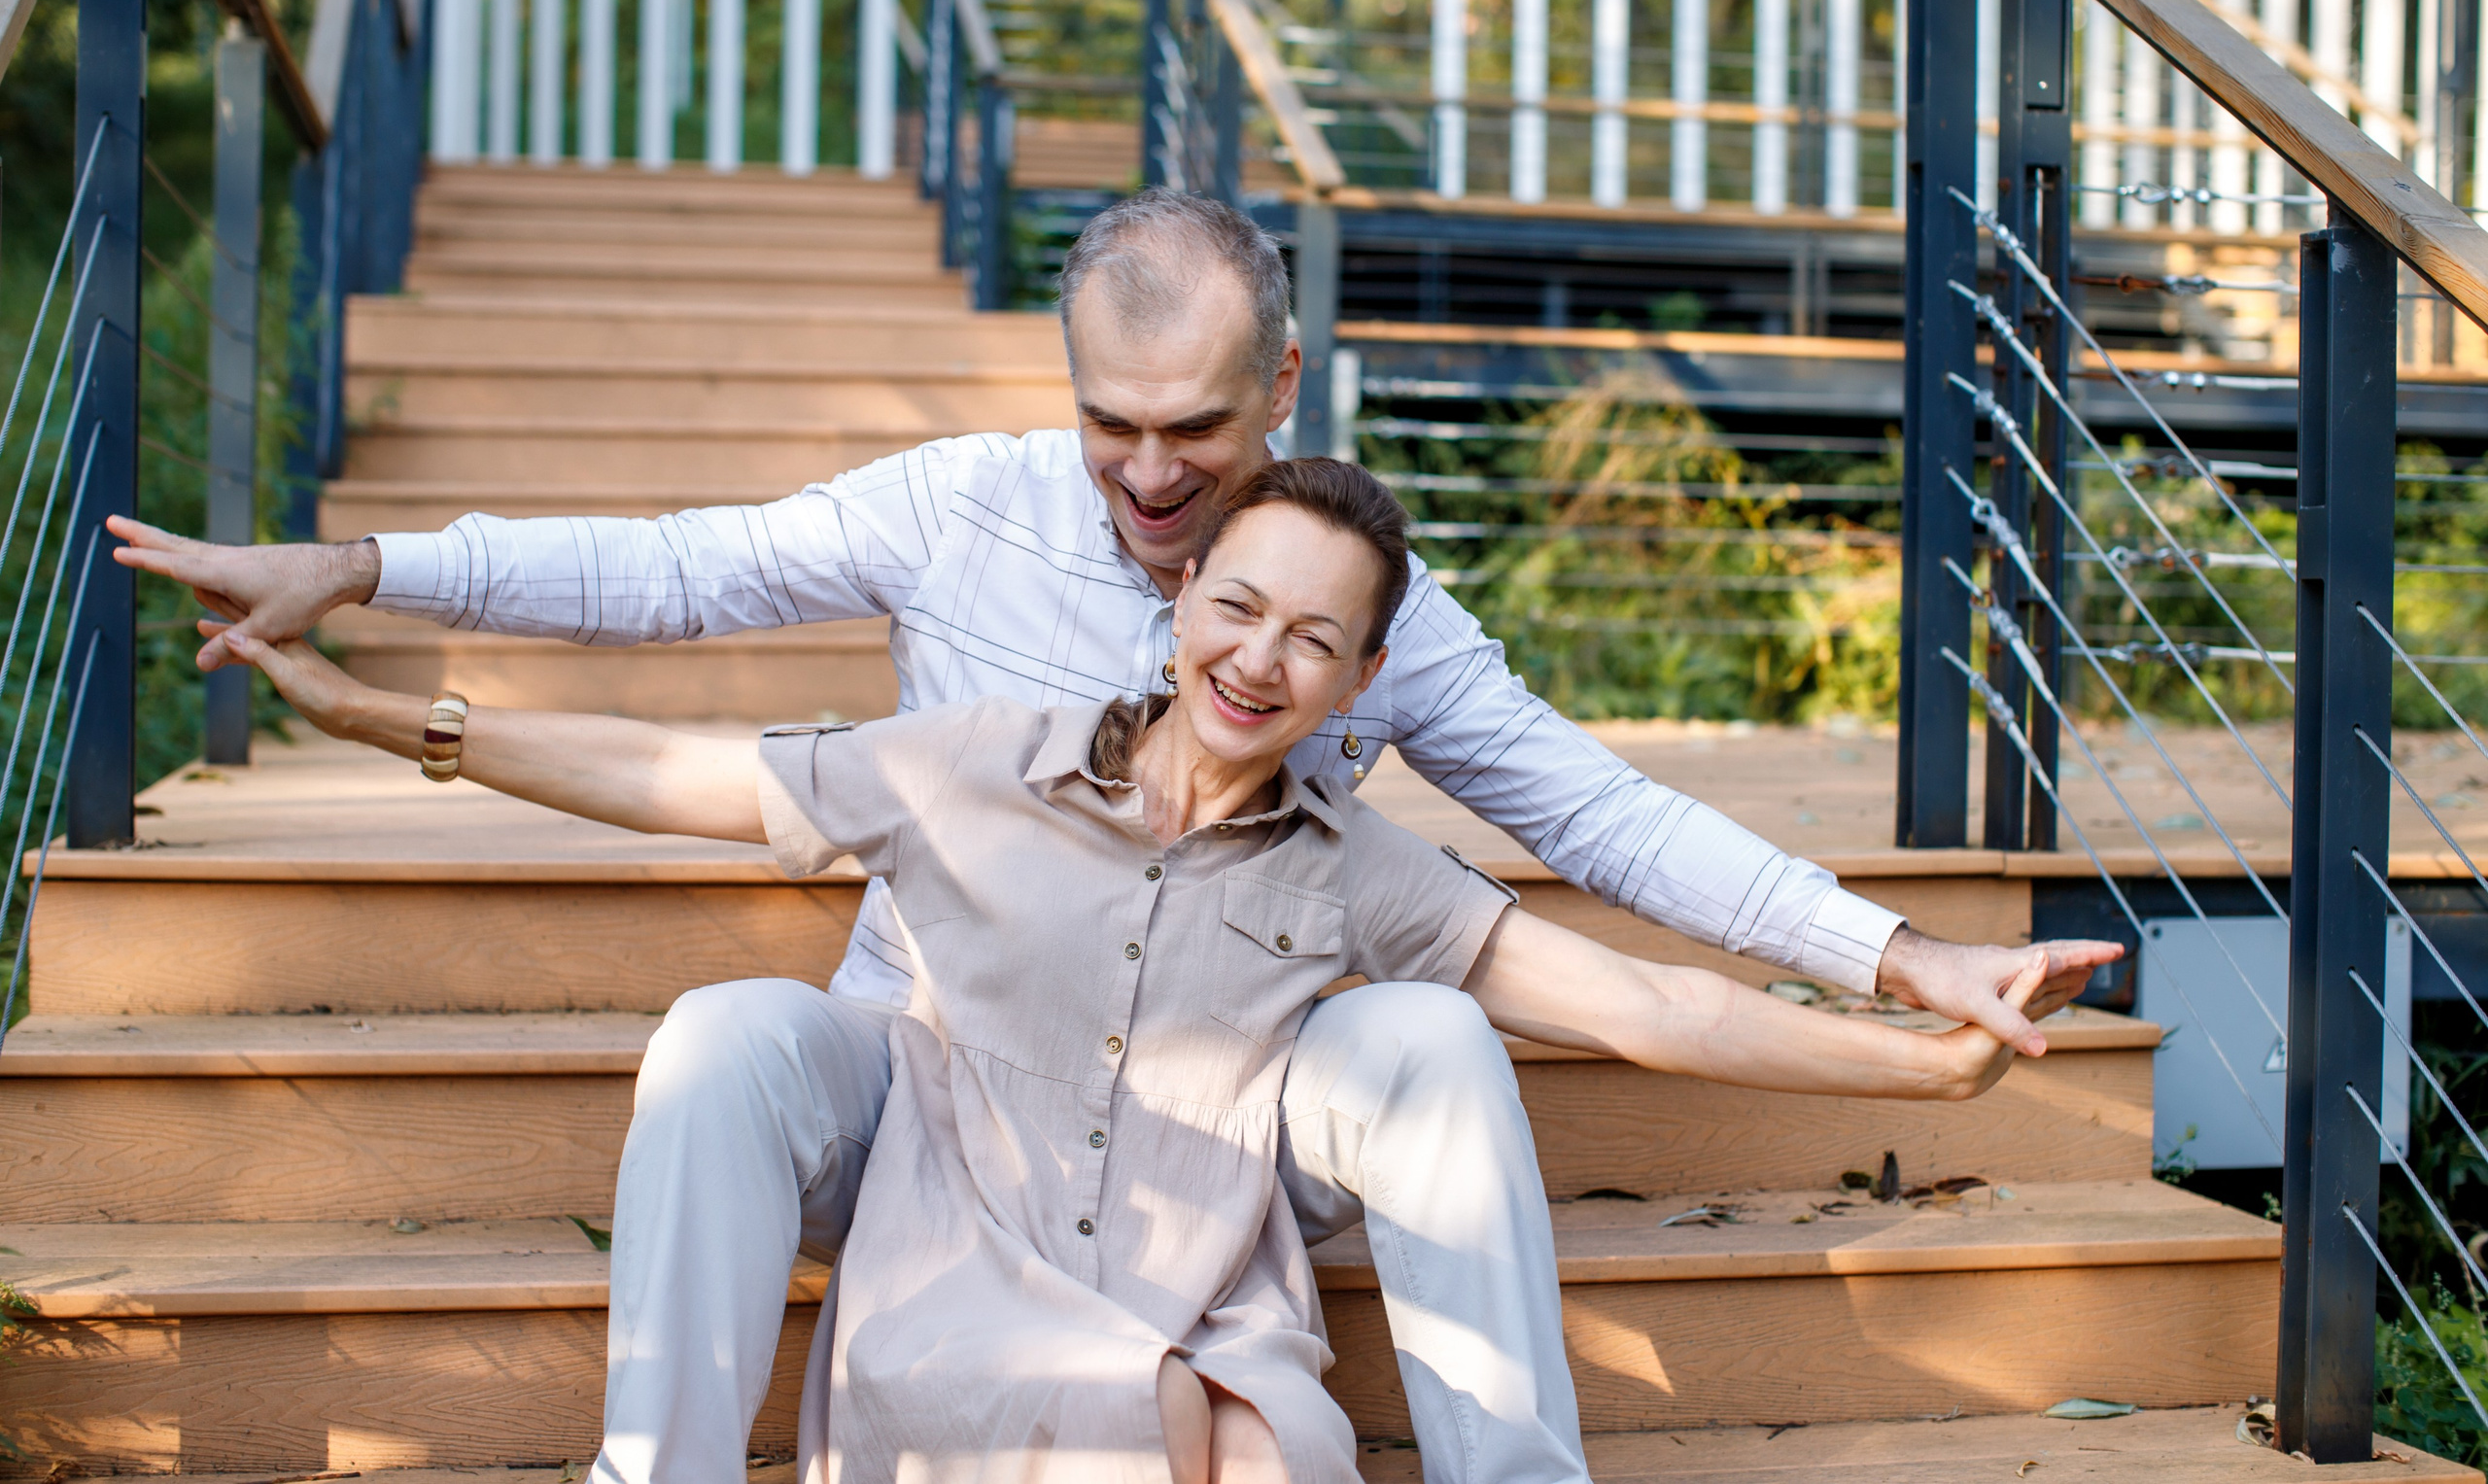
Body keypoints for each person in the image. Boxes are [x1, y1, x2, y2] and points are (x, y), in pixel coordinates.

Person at [111, 188, 2121, 1484]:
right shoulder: (966, 549)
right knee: (723, 1033)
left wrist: (1894, 963)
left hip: (1224, 1104)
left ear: (1286, 390)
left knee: (1425, 1031)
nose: (1151, 478)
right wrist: (362, 573)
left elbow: (1595, 834)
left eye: (1198, 429)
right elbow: (668, 578)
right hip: (928, 1077)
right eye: (1110, 426)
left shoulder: (1352, 600)